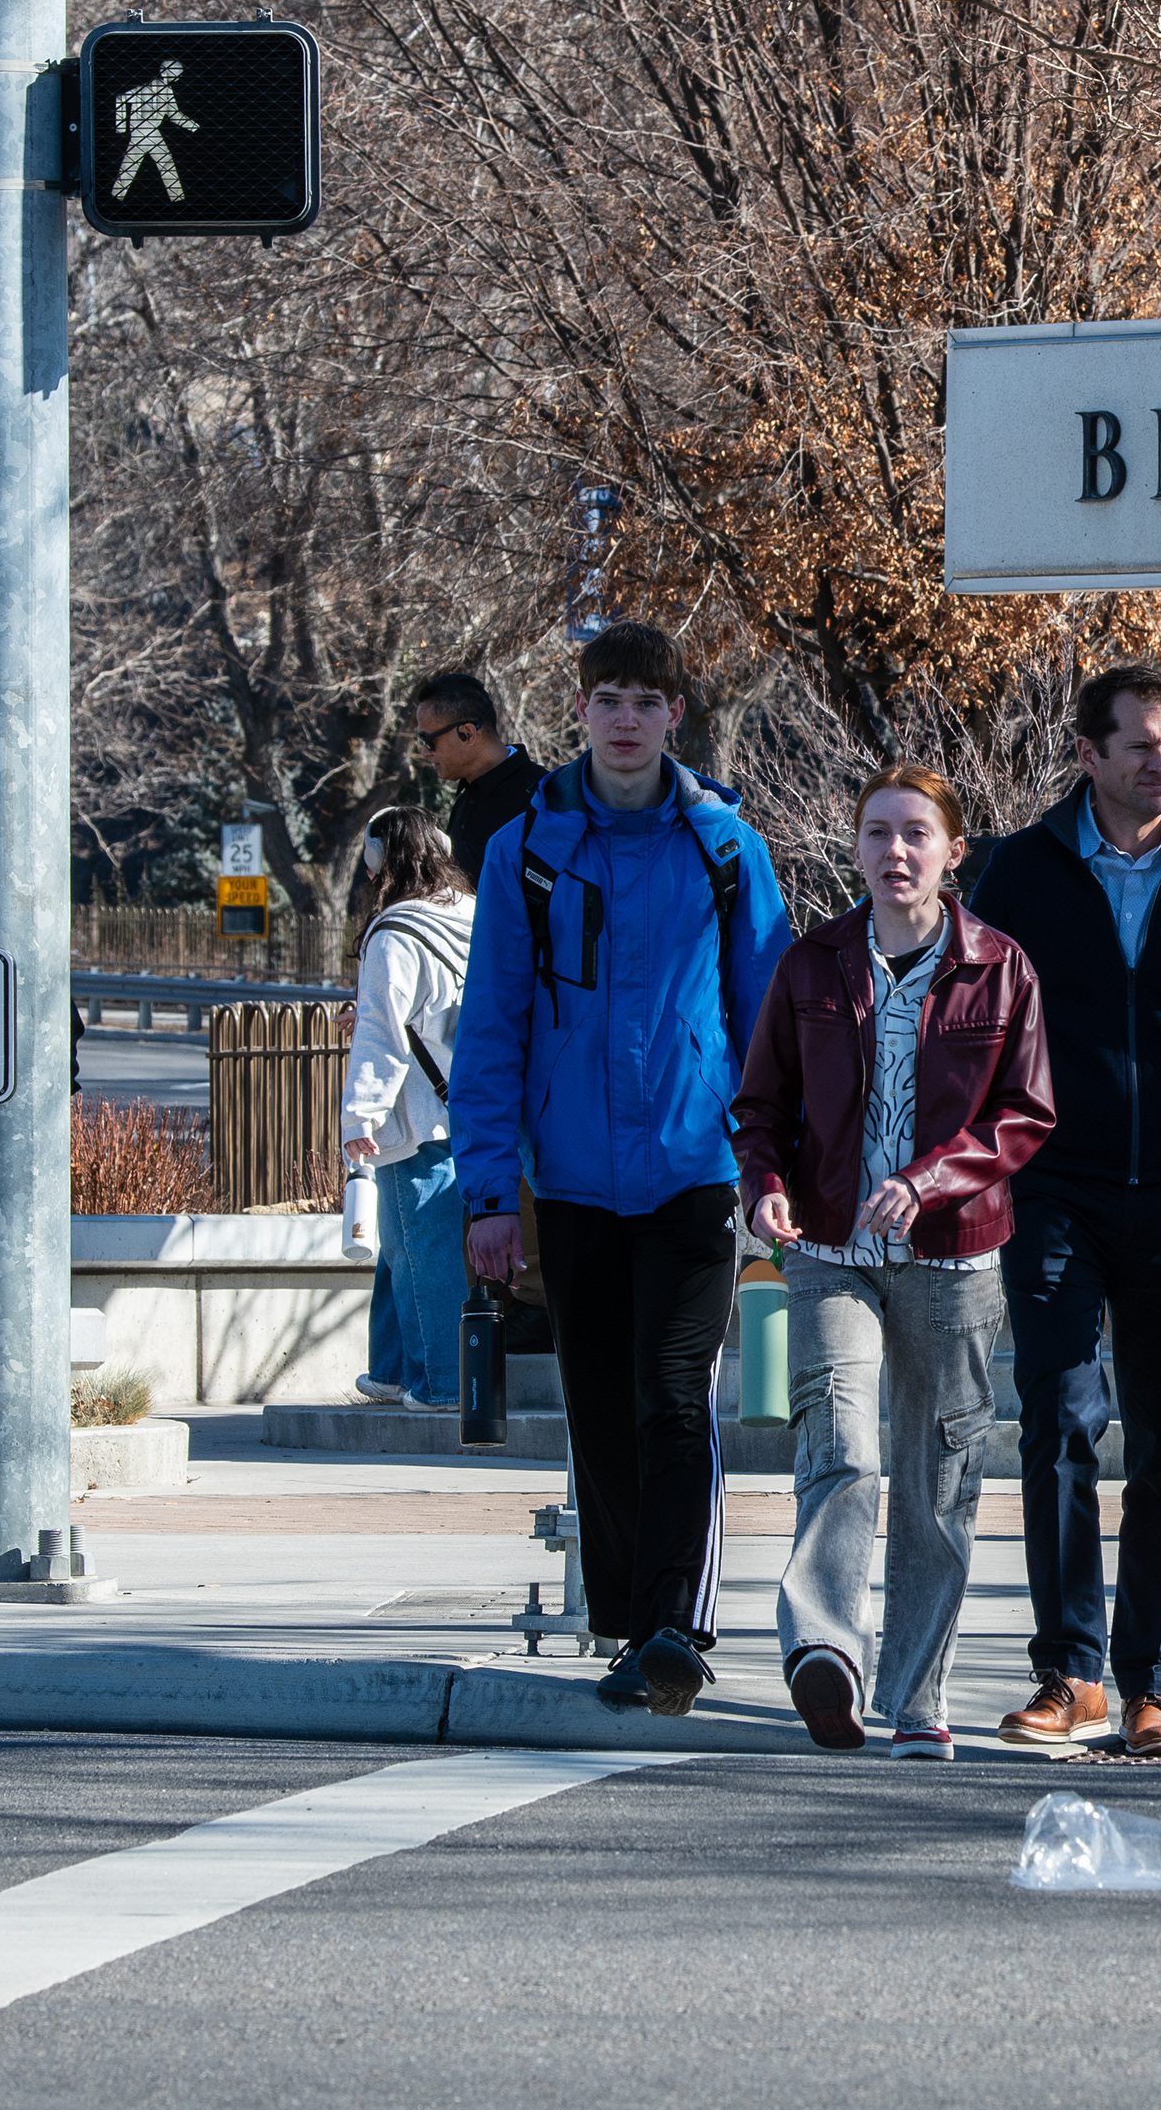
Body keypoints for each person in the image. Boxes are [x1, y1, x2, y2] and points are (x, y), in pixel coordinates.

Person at [455, 622, 793, 1720]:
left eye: (649, 699)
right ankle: (625, 1622)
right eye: (611, 699)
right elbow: (492, 1025)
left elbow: (766, 1018)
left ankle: (676, 1628)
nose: (629, 718)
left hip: (693, 1172)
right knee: (598, 1409)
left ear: (676, 715)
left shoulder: (726, 846)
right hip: (575, 1180)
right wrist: (490, 1194)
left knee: (670, 1398)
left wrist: (766, 1162)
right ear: (584, 711)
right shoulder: (530, 846)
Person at [967, 663, 1161, 1757]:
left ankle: (1151, 1680)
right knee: (1058, 1420)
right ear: (1089, 755)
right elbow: (975, 1026)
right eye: (1141, 745)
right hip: (1052, 1185)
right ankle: (1070, 1672)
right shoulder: (1017, 871)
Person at [734, 765, 1057, 1757]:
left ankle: (918, 1698)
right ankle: (827, 1652)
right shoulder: (811, 965)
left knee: (935, 1480)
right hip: (829, 1250)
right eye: (877, 832)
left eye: (917, 833)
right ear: (858, 846)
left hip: (954, 1258)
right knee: (841, 1447)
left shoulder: (1000, 967)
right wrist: (766, 1185)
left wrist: (928, 1180)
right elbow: (760, 1110)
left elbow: (1026, 1113)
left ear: (953, 852)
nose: (895, 851)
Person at [338, 809, 476, 1413]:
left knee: (424, 1250)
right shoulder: (474, 915)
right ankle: (390, 1370)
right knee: (404, 1244)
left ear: (379, 862)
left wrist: (358, 1116)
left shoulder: (393, 933)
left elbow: (382, 1033)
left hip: (415, 1115)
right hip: (472, 1105)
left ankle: (442, 1382)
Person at [412, 670, 548, 885]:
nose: (424, 752)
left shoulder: (542, 797)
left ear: (467, 733)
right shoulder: (467, 793)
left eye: (428, 740)